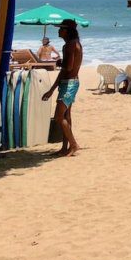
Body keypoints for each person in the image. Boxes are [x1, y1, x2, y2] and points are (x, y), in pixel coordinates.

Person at [41, 19, 83, 157]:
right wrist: (62, 63)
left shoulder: (69, 46)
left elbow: (68, 67)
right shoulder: (75, 44)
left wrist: (59, 63)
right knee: (66, 116)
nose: (58, 30)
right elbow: (68, 67)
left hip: (69, 83)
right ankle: (66, 147)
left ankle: (74, 144)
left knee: (59, 117)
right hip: (72, 82)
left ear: (66, 31)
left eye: (60, 28)